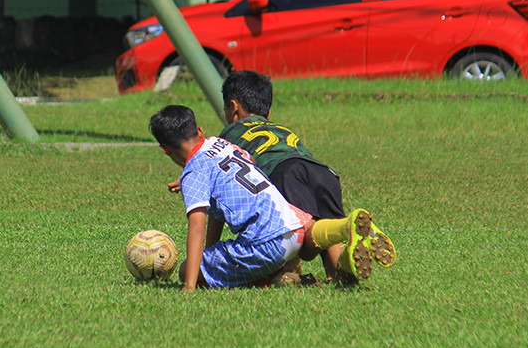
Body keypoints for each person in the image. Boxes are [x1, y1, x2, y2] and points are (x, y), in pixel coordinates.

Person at [149, 104, 379, 291]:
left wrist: (190, 285)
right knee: (308, 237)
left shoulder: (194, 173)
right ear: (199, 131)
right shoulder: (221, 144)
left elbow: (197, 227)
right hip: (296, 225)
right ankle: (343, 230)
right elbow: (245, 164)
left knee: (185, 269)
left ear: (165, 150)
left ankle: (279, 278)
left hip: (269, 245)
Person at [216, 69, 396, 281]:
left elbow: (220, 183)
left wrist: (208, 250)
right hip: (323, 172)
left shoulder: (229, 134)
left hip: (284, 172)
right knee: (331, 242)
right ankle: (342, 270)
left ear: (233, 107)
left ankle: (346, 227)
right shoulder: (281, 129)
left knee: (303, 239)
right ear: (269, 112)